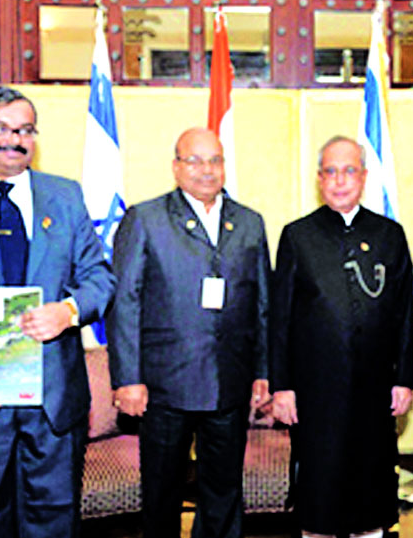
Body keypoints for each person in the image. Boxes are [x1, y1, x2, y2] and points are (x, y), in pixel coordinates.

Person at [0, 86, 116, 537]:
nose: (15, 140)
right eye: (1, 128)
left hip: (52, 405)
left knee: (55, 526)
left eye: (26, 130)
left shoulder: (65, 196)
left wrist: (68, 311)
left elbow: (100, 278)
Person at [107, 127, 271, 538]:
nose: (206, 170)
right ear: (176, 166)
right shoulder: (145, 219)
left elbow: (262, 305)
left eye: (215, 160)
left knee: (224, 492)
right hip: (163, 387)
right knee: (161, 493)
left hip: (230, 383)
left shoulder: (249, 223)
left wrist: (263, 370)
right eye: (194, 160)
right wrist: (127, 379)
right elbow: (124, 302)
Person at [271, 136, 413, 538]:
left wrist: (404, 378)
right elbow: (279, 319)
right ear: (319, 179)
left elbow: (405, 312)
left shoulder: (389, 235)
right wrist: (282, 386)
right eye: (331, 171)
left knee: (371, 486)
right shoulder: (298, 236)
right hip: (315, 392)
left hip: (376, 390)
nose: (340, 180)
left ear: (364, 177)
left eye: (349, 170)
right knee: (320, 489)